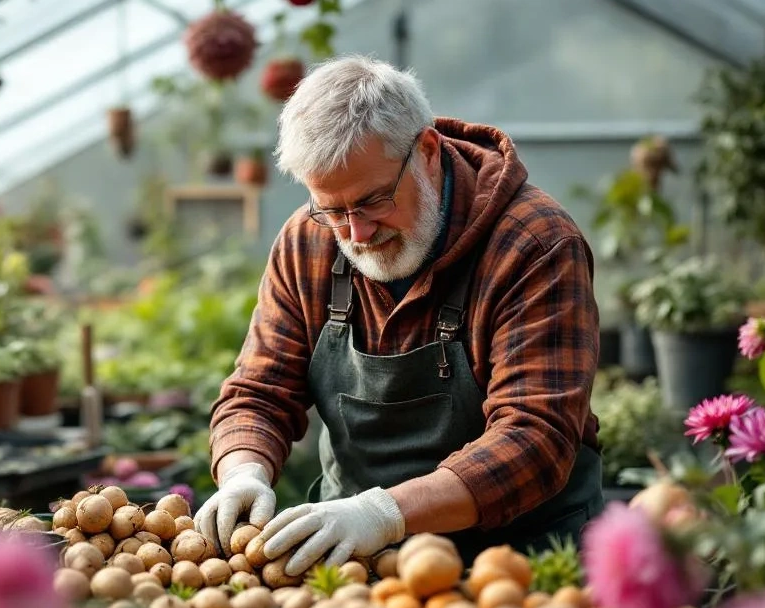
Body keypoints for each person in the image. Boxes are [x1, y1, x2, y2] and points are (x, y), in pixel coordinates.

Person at [193, 55, 605, 577]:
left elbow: (535, 436)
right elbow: (259, 390)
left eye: (373, 201)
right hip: (357, 563)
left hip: (518, 562)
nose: (356, 233)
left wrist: (381, 513)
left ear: (427, 152)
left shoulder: (533, 245)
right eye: (333, 209)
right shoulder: (309, 241)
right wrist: (243, 474)